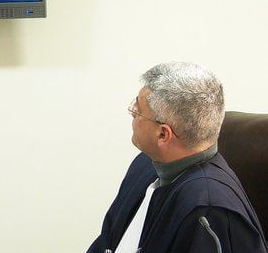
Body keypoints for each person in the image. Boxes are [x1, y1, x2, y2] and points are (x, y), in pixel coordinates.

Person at [87, 62, 267, 253]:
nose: (132, 110)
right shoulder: (144, 166)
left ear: (163, 134)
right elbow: (107, 240)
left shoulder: (208, 211)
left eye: (137, 110)